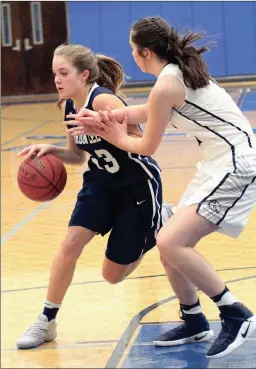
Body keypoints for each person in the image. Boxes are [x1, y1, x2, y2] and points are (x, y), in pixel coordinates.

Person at [67, 17, 256, 359]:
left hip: (237, 166)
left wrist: (111, 133)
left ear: (145, 52)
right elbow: (144, 111)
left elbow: (146, 146)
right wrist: (108, 119)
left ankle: (235, 313)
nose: (131, 56)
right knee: (168, 237)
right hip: (219, 165)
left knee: (171, 241)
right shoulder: (174, 75)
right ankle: (193, 319)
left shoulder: (167, 84)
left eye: (133, 50)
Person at [16, 43, 168, 349]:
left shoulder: (104, 100)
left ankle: (158, 226)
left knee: (113, 276)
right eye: (54, 73)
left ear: (84, 75)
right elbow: (76, 156)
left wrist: (107, 129)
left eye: (64, 73)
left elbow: (142, 141)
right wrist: (50, 150)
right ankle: (46, 321)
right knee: (69, 244)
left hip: (136, 184)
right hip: (100, 183)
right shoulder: (68, 105)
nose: (57, 79)